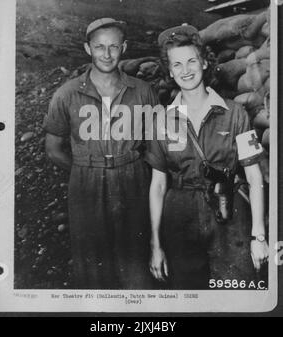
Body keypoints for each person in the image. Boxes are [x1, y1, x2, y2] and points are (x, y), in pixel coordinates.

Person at [145, 24, 269, 289]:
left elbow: (254, 175)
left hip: (229, 213)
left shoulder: (235, 113)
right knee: (188, 297)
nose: (185, 70)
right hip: (179, 216)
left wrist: (258, 236)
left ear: (204, 63)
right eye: (177, 64)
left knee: (237, 294)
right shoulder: (161, 121)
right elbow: (157, 185)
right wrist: (155, 243)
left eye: (191, 61)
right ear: (169, 70)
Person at [43, 18, 158, 289]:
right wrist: (85, 171)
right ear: (87, 48)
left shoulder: (143, 92)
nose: (107, 54)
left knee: (136, 262)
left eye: (114, 47)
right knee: (92, 265)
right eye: (99, 47)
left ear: (124, 48)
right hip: (86, 182)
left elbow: (158, 144)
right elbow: (53, 148)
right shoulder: (66, 94)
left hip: (133, 179)